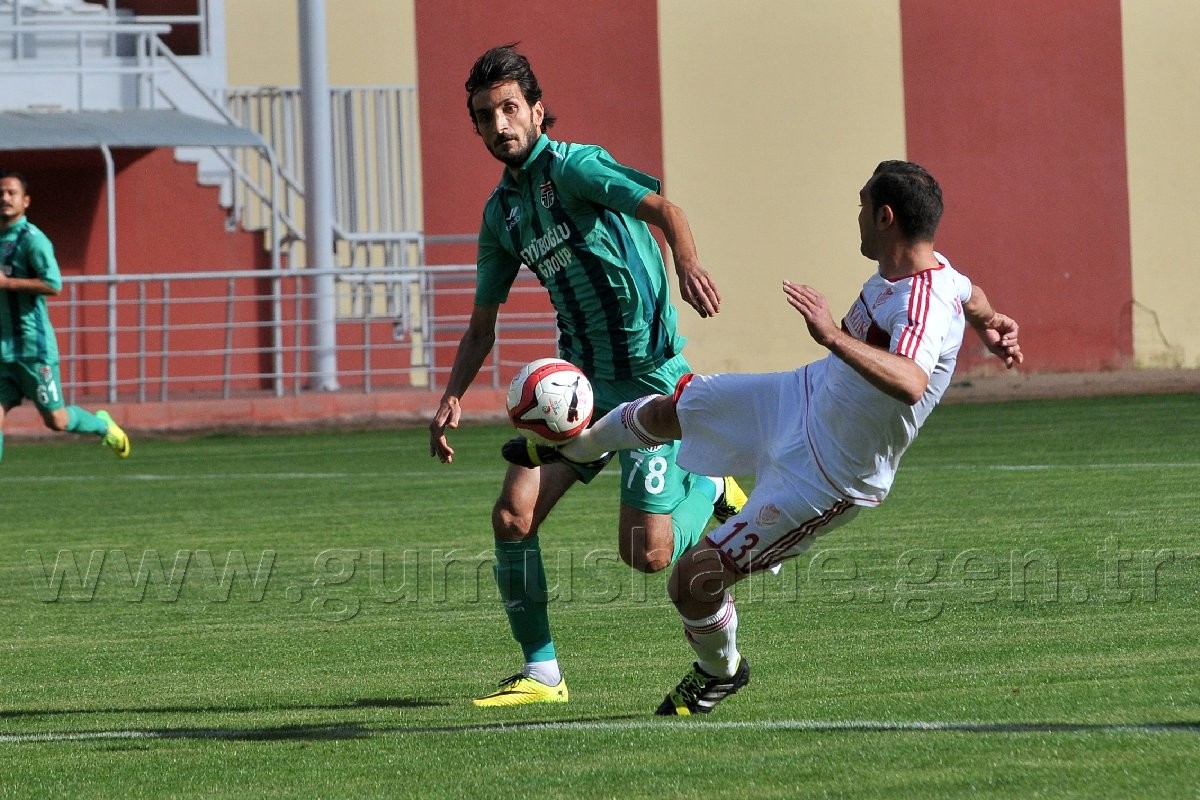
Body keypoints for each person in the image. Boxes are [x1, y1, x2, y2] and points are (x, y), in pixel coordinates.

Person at [522, 160, 1024, 714]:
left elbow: (910, 380)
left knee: (691, 582)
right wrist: (993, 322)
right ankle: (571, 446)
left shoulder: (922, 301)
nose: (855, 218)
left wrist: (831, 333)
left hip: (826, 475)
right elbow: (971, 293)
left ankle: (720, 671)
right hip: (798, 398)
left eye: (862, 206)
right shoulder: (935, 277)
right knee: (676, 407)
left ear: (885, 217)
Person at [428, 44, 745, 708]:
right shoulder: (502, 217)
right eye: (486, 116)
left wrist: (687, 265)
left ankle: (712, 483)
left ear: (537, 110)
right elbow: (482, 323)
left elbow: (664, 210)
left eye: (511, 108)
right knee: (513, 516)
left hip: (652, 378)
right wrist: (452, 396)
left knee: (648, 554)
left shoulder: (576, 167)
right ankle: (543, 673)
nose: (501, 124)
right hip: (578, 390)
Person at [0, 170, 131, 463]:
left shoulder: (33, 241)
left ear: (26, 200)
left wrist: (8, 283)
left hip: (34, 349)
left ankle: (103, 425)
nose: (5, 198)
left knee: (56, 421)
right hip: (2, 349)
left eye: (12, 193)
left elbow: (53, 284)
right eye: (1, 194)